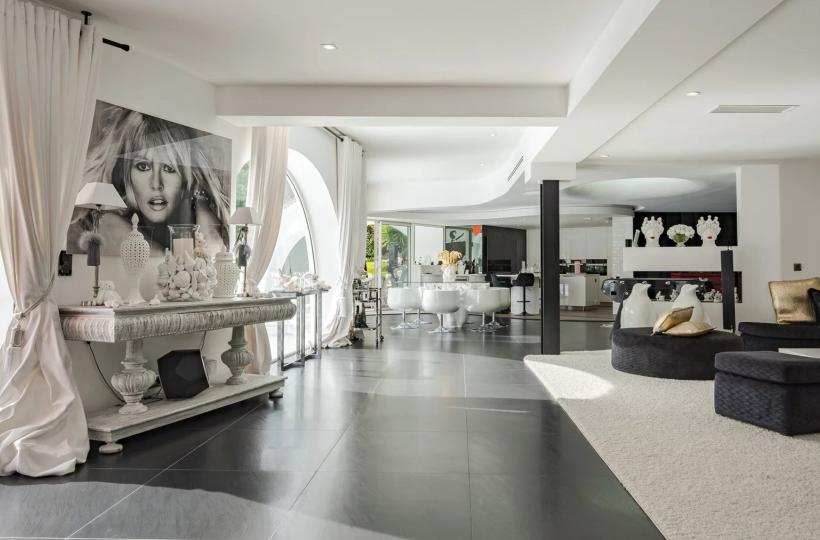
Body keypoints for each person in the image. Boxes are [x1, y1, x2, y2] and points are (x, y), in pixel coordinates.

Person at [69, 104, 229, 256]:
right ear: (125, 174)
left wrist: (201, 203)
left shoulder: (200, 213)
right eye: (143, 166)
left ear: (186, 179)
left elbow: (213, 249)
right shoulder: (108, 225)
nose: (156, 184)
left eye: (169, 168)